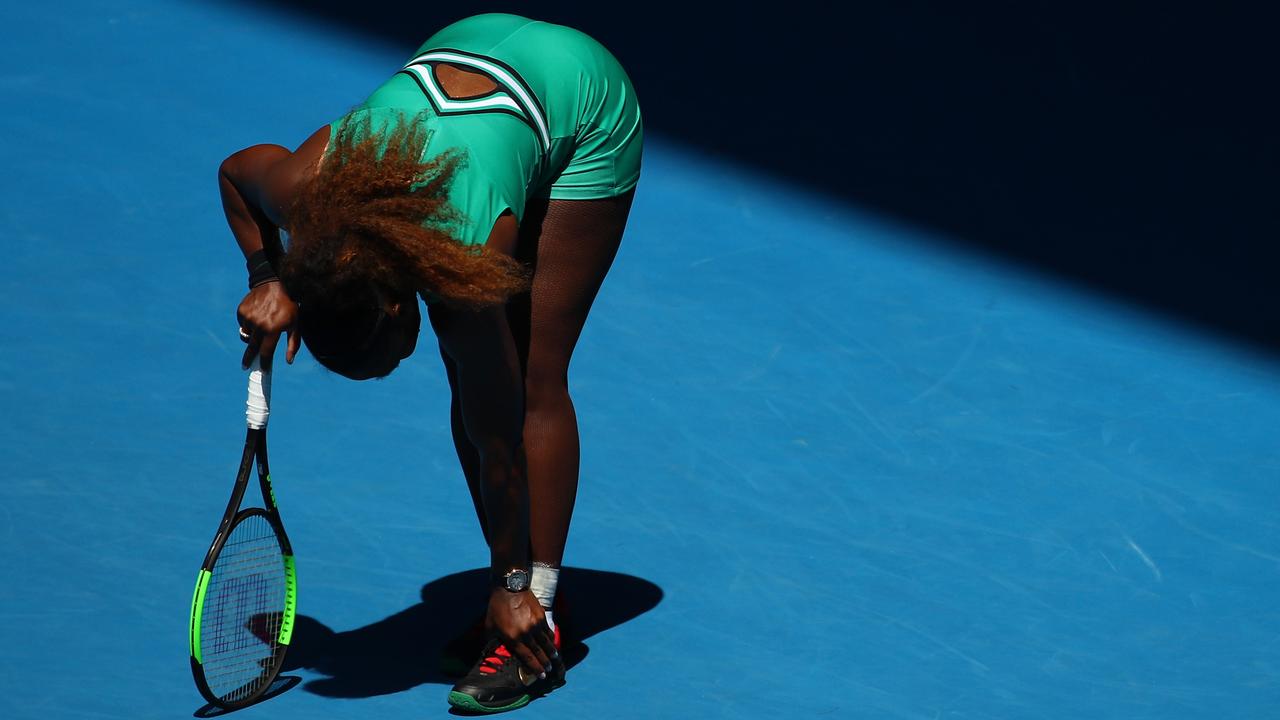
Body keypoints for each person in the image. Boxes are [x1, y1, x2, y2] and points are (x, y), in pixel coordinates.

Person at [218, 13, 641, 713]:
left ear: (393, 308)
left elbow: (498, 435)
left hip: (583, 93)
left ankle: (537, 623)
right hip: (473, 40)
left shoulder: (467, 257)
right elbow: (236, 176)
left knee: (528, 381)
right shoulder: (301, 191)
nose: (406, 356)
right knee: (471, 382)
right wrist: (270, 273)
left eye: (392, 353)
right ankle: (513, 597)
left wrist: (512, 587)